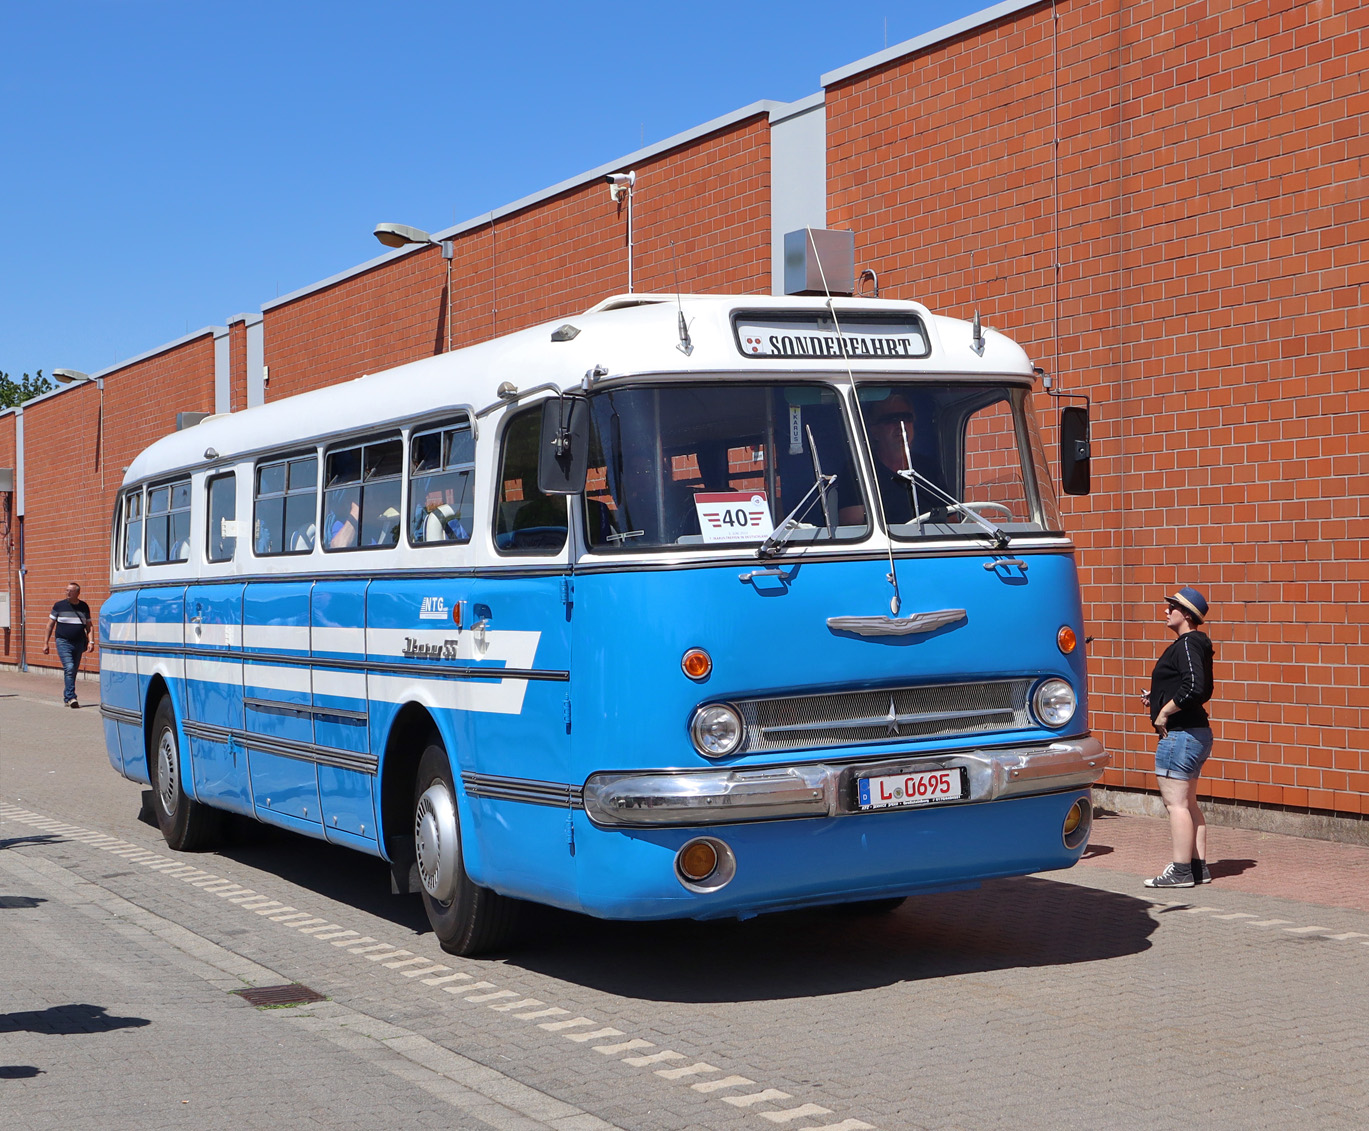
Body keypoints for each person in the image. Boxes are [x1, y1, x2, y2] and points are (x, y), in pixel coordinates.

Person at [1142, 586, 1216, 889]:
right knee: (1189, 802)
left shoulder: (1187, 643)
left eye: (1171, 606)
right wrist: (1157, 699)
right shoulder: (1196, 644)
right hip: (1196, 732)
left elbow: (1197, 687)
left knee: (1176, 805)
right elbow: (1188, 685)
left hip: (1180, 735)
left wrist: (1164, 712)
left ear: (1185, 614)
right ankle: (1198, 868)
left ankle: (1181, 871)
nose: (1165, 610)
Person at [839, 392, 942, 526]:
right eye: (891, 419)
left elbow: (953, 520)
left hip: (932, 544)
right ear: (874, 431)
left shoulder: (928, 468)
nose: (901, 425)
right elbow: (852, 525)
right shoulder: (859, 470)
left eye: (906, 418)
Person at [43, 581, 96, 709]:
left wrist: (91, 641)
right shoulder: (59, 606)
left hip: (79, 642)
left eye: (70, 591)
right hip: (63, 641)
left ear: (78, 593)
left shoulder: (83, 606)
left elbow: (89, 626)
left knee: (73, 670)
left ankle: (67, 697)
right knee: (70, 667)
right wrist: (45, 643)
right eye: (66, 590)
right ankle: (71, 697)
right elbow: (50, 625)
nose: (67, 592)